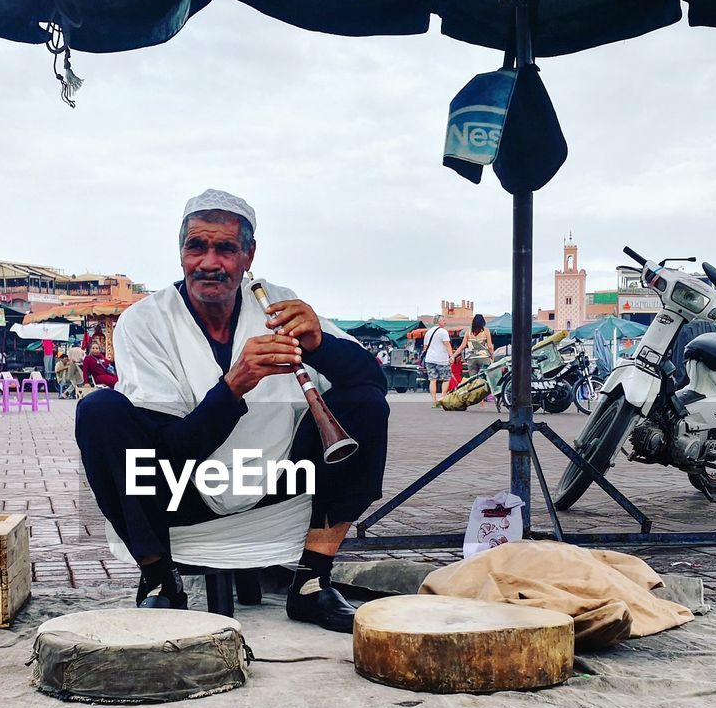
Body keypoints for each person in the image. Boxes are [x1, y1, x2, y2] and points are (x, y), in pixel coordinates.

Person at [75, 188, 389, 632]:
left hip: (278, 480)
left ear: (249, 256)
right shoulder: (144, 321)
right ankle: (161, 580)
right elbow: (167, 453)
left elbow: (374, 382)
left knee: (364, 403)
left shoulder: (277, 302)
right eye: (196, 246)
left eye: (226, 248)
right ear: (180, 252)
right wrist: (233, 387)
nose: (209, 262)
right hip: (178, 489)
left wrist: (319, 347)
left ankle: (312, 584)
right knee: (99, 411)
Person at [422, 314, 452, 406]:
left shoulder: (428, 332)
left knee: (432, 380)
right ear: (439, 322)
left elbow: (425, 347)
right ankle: (442, 398)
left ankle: (434, 401)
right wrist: (451, 356)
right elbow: (447, 345)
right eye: (443, 320)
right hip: (442, 359)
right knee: (446, 379)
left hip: (430, 359)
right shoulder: (443, 332)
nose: (445, 322)